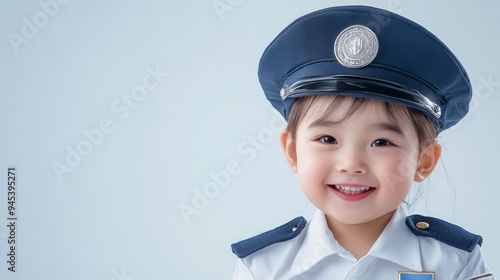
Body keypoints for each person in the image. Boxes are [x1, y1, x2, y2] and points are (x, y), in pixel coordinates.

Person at [230, 5, 494, 280]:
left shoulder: (457, 262)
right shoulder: (261, 267)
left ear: (423, 160)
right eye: (327, 138)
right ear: (293, 151)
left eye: (381, 142)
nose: (351, 164)